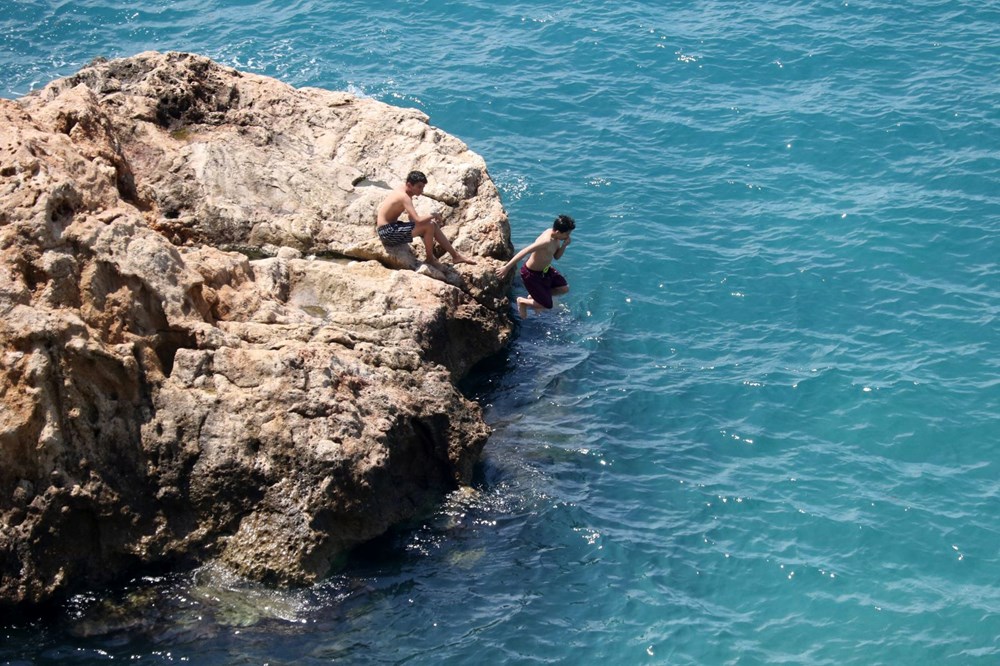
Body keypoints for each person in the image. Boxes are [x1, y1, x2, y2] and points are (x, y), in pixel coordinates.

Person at [376, 170, 476, 268]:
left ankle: (456, 256)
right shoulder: (404, 197)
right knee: (430, 225)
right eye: (419, 187)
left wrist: (424, 224)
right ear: (409, 185)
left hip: (390, 228)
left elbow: (411, 218)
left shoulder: (404, 190)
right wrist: (434, 215)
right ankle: (430, 259)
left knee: (432, 225)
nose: (421, 190)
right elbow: (417, 220)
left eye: (423, 187)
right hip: (387, 233)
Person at [495, 214, 575, 318]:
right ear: (558, 232)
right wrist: (506, 268)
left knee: (564, 288)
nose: (568, 236)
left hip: (545, 271)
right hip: (531, 274)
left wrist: (564, 246)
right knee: (547, 305)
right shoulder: (546, 241)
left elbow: (556, 257)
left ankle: (536, 297)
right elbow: (525, 251)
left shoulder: (557, 238)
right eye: (567, 234)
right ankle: (522, 301)